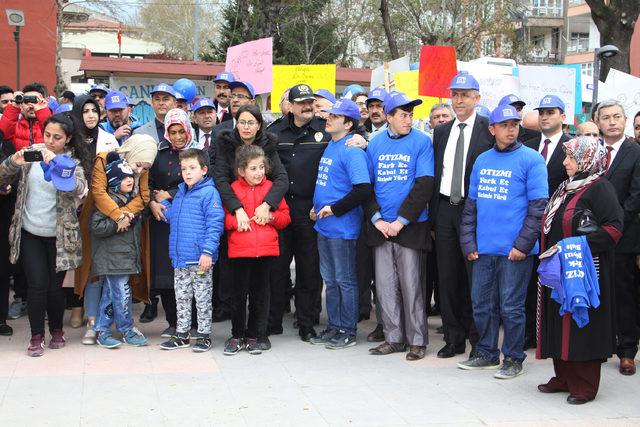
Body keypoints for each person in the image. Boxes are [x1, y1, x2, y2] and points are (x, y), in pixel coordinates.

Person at [458, 105, 548, 378]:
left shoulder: (531, 160)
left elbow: (538, 208)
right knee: (481, 304)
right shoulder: (482, 160)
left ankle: (513, 357)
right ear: (491, 129)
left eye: (515, 124)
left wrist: (522, 245)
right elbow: (470, 206)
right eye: (505, 124)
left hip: (514, 252)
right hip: (483, 249)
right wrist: (468, 243)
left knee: (511, 307)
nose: (511, 129)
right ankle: (486, 353)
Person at [537, 136, 623, 404]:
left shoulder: (600, 188)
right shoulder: (567, 187)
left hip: (585, 272)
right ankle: (563, 376)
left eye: (571, 158)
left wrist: (575, 245)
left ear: (587, 160)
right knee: (558, 319)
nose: (565, 163)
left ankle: (584, 384)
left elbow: (614, 229)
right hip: (560, 271)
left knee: (581, 324)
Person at [0, 113, 89, 356]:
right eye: (46, 135)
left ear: (68, 139)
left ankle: (57, 329)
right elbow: (2, 175)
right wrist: (14, 162)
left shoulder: (74, 163)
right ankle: (36, 336)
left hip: (59, 236)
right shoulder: (31, 156)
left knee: (54, 288)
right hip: (29, 232)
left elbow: (79, 189)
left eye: (57, 137)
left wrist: (57, 164)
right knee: (37, 285)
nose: (49, 141)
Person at [365, 92, 434, 360]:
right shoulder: (375, 144)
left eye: (411, 115)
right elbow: (366, 185)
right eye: (403, 115)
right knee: (384, 285)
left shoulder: (422, 142)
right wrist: (378, 219)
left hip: (410, 226)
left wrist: (400, 221)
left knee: (412, 285)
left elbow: (424, 184)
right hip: (381, 226)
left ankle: (417, 340)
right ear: (389, 117)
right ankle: (393, 337)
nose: (409, 120)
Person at [430, 71, 493, 359]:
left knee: (474, 277)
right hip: (445, 209)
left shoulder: (487, 128)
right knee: (447, 276)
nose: (459, 100)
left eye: (465, 95)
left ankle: (478, 339)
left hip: (474, 211)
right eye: (455, 94)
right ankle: (452, 338)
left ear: (477, 98)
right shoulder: (441, 131)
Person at [215, 105, 289, 324]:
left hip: (263, 219)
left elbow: (281, 179)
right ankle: (235, 323)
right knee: (235, 280)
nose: (246, 127)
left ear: (259, 125)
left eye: (251, 122)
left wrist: (268, 205)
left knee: (262, 284)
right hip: (235, 207)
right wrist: (236, 209)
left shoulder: (269, 143)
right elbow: (220, 179)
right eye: (242, 122)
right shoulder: (225, 141)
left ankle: (263, 326)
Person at [310, 99, 371, 349]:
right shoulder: (331, 145)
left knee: (344, 279)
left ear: (348, 124)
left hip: (342, 227)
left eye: (335, 116)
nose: (328, 118)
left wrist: (333, 208)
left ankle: (348, 329)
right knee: (331, 279)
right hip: (324, 226)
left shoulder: (351, 150)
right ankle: (334, 326)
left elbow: (363, 189)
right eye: (329, 114)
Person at [86, 134, 158, 340]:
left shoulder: (143, 162)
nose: (139, 171)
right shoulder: (104, 160)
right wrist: (119, 215)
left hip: (127, 233)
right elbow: (99, 193)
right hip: (108, 224)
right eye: (137, 166)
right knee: (116, 288)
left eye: (145, 168)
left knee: (113, 289)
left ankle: (102, 328)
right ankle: (119, 328)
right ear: (129, 156)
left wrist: (126, 213)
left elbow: (144, 196)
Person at [223, 145, 290, 355]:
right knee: (238, 295)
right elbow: (224, 218)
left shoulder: (272, 188)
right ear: (241, 170)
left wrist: (271, 217)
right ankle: (237, 334)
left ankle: (256, 334)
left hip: (266, 251)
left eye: (262, 167)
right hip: (240, 252)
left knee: (261, 295)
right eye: (253, 168)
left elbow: (285, 217)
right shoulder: (233, 189)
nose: (259, 172)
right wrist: (236, 222)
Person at [160, 148, 224, 352]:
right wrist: (161, 204)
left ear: (204, 170)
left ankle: (204, 335)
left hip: (200, 259)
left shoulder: (209, 192)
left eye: (192, 168)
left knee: (203, 298)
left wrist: (207, 252)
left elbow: (215, 224)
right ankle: (182, 334)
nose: (187, 172)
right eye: (184, 168)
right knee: (182, 298)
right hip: (180, 259)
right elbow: (175, 219)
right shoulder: (180, 193)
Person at [522, 95, 571, 350]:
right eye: (541, 112)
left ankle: (552, 333)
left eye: (551, 112)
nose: (544, 116)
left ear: (563, 117)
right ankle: (530, 332)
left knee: (553, 279)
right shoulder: (526, 146)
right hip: (530, 225)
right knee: (530, 281)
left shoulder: (572, 147)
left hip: (558, 227)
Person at [595, 100, 640, 376]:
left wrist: (615, 224)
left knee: (623, 294)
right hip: (594, 236)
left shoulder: (635, 152)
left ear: (624, 120)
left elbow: (636, 195)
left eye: (617, 117)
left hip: (624, 235)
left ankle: (626, 351)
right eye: (606, 117)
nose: (612, 122)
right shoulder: (593, 151)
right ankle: (600, 345)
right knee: (597, 293)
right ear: (598, 122)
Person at [70, 94, 120, 339]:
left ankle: (104, 318)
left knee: (104, 266)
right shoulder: (71, 142)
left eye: (94, 110)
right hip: (78, 211)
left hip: (105, 209)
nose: (90, 115)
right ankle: (89, 316)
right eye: (85, 111)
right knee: (87, 266)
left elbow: (118, 176)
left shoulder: (109, 140)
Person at [146, 108, 194, 337]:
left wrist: (171, 193)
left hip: (187, 220)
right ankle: (173, 322)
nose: (177, 137)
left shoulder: (196, 154)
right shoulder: (160, 154)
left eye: (181, 131)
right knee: (165, 273)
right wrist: (152, 203)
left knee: (187, 271)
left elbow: (200, 183)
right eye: (172, 132)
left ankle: (191, 322)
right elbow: (148, 183)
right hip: (161, 221)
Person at [0, 82, 51, 151]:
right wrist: (14, 106)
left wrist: (42, 111)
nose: (31, 105)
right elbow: (4, 134)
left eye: (35, 100)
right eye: (27, 101)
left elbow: (50, 132)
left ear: (47, 101)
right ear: (21, 103)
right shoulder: (15, 125)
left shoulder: (56, 123)